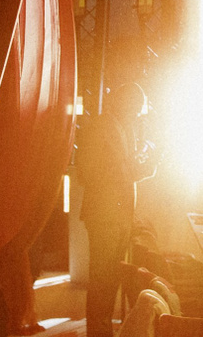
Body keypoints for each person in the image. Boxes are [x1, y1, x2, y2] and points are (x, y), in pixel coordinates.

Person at [77, 82, 149, 335]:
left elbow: (122, 170)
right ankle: (98, 332)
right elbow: (89, 172)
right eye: (136, 108)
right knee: (102, 281)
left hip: (117, 216)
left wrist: (139, 168)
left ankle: (102, 330)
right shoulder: (100, 127)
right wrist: (135, 171)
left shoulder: (120, 127)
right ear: (124, 102)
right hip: (105, 216)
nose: (137, 115)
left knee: (110, 280)